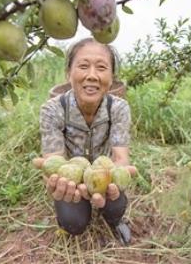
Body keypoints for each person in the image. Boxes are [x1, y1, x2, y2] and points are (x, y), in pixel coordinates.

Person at [33, 37, 136, 245]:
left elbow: (120, 157)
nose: (92, 76)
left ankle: (115, 221)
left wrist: (118, 174)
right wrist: (56, 179)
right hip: (73, 182)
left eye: (101, 67)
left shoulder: (118, 108)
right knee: (73, 223)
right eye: (83, 66)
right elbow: (54, 161)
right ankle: (76, 219)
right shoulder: (52, 109)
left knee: (116, 203)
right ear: (69, 73)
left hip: (106, 177)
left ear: (111, 76)